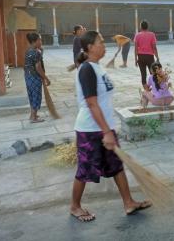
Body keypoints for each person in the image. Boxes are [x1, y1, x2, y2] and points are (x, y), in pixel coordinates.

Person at [71, 30, 151, 222]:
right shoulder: (87, 69)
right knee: (85, 169)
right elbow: (91, 103)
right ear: (90, 47)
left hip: (105, 127)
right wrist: (106, 131)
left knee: (116, 165)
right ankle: (74, 206)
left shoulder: (98, 68)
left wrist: (108, 129)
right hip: (90, 130)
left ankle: (129, 203)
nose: (104, 45)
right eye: (100, 42)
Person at [24, 32, 50, 123]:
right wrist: (46, 78)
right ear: (34, 41)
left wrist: (41, 51)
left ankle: (32, 115)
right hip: (35, 77)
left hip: (28, 76)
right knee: (36, 96)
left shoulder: (28, 50)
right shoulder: (36, 52)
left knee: (31, 95)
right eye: (39, 40)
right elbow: (38, 68)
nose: (41, 41)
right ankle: (34, 117)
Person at [134, 21, 159, 89]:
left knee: (143, 75)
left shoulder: (137, 35)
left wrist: (136, 59)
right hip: (150, 57)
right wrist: (157, 57)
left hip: (140, 57)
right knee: (153, 74)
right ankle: (155, 90)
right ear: (147, 26)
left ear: (141, 27)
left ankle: (147, 91)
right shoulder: (152, 34)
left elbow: (136, 48)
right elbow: (154, 47)